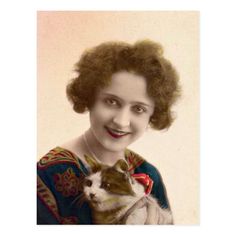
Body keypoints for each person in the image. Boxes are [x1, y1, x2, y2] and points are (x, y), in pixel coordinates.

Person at [37, 39, 180, 224]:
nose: (121, 121)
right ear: (90, 98)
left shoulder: (148, 174)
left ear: (153, 115)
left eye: (138, 109)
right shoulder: (49, 173)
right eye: (111, 102)